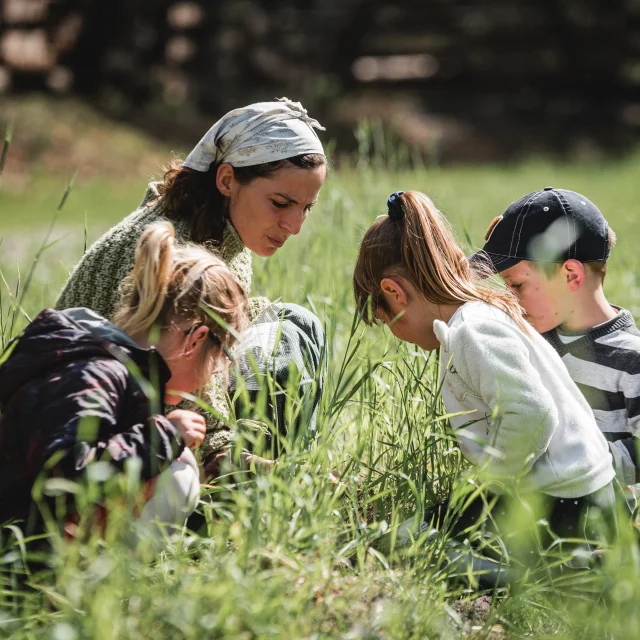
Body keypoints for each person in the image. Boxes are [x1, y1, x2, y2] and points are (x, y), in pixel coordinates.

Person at [54, 98, 328, 471]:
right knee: (281, 344)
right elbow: (183, 396)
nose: (294, 225)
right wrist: (270, 473)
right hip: (102, 441)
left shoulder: (220, 229)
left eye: (306, 208)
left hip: (158, 408)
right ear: (227, 179)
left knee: (294, 322)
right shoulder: (180, 256)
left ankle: (284, 469)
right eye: (281, 203)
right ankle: (253, 492)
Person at [352, 190, 617, 574]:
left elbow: (532, 414)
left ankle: (534, 577)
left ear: (394, 292)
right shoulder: (483, 317)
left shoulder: (472, 330)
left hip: (563, 502)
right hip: (582, 495)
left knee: (407, 541)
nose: (397, 334)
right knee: (415, 531)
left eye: (387, 319)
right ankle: (559, 563)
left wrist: (490, 483)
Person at [0, 221, 247, 540]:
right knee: (177, 470)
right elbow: (63, 470)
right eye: (219, 359)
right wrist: (163, 435)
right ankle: (106, 581)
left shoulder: (118, 372)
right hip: (17, 549)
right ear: (196, 341)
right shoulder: (98, 374)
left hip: (33, 534)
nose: (215, 374)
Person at [472, 188, 640, 486]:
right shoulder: (535, 342)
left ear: (571, 275)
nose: (509, 299)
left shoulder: (631, 361)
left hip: (604, 518)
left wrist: (570, 462)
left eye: (517, 286)